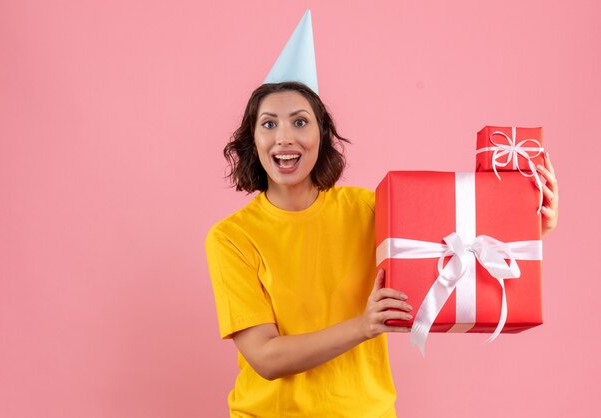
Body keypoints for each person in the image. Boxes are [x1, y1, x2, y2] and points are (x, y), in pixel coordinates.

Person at [205, 80, 560, 417]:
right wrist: (363, 326)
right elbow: (266, 357)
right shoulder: (232, 237)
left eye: (300, 121)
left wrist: (527, 227)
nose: (284, 137)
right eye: (268, 124)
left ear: (322, 136)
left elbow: (457, 254)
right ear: (252, 141)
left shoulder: (371, 208)